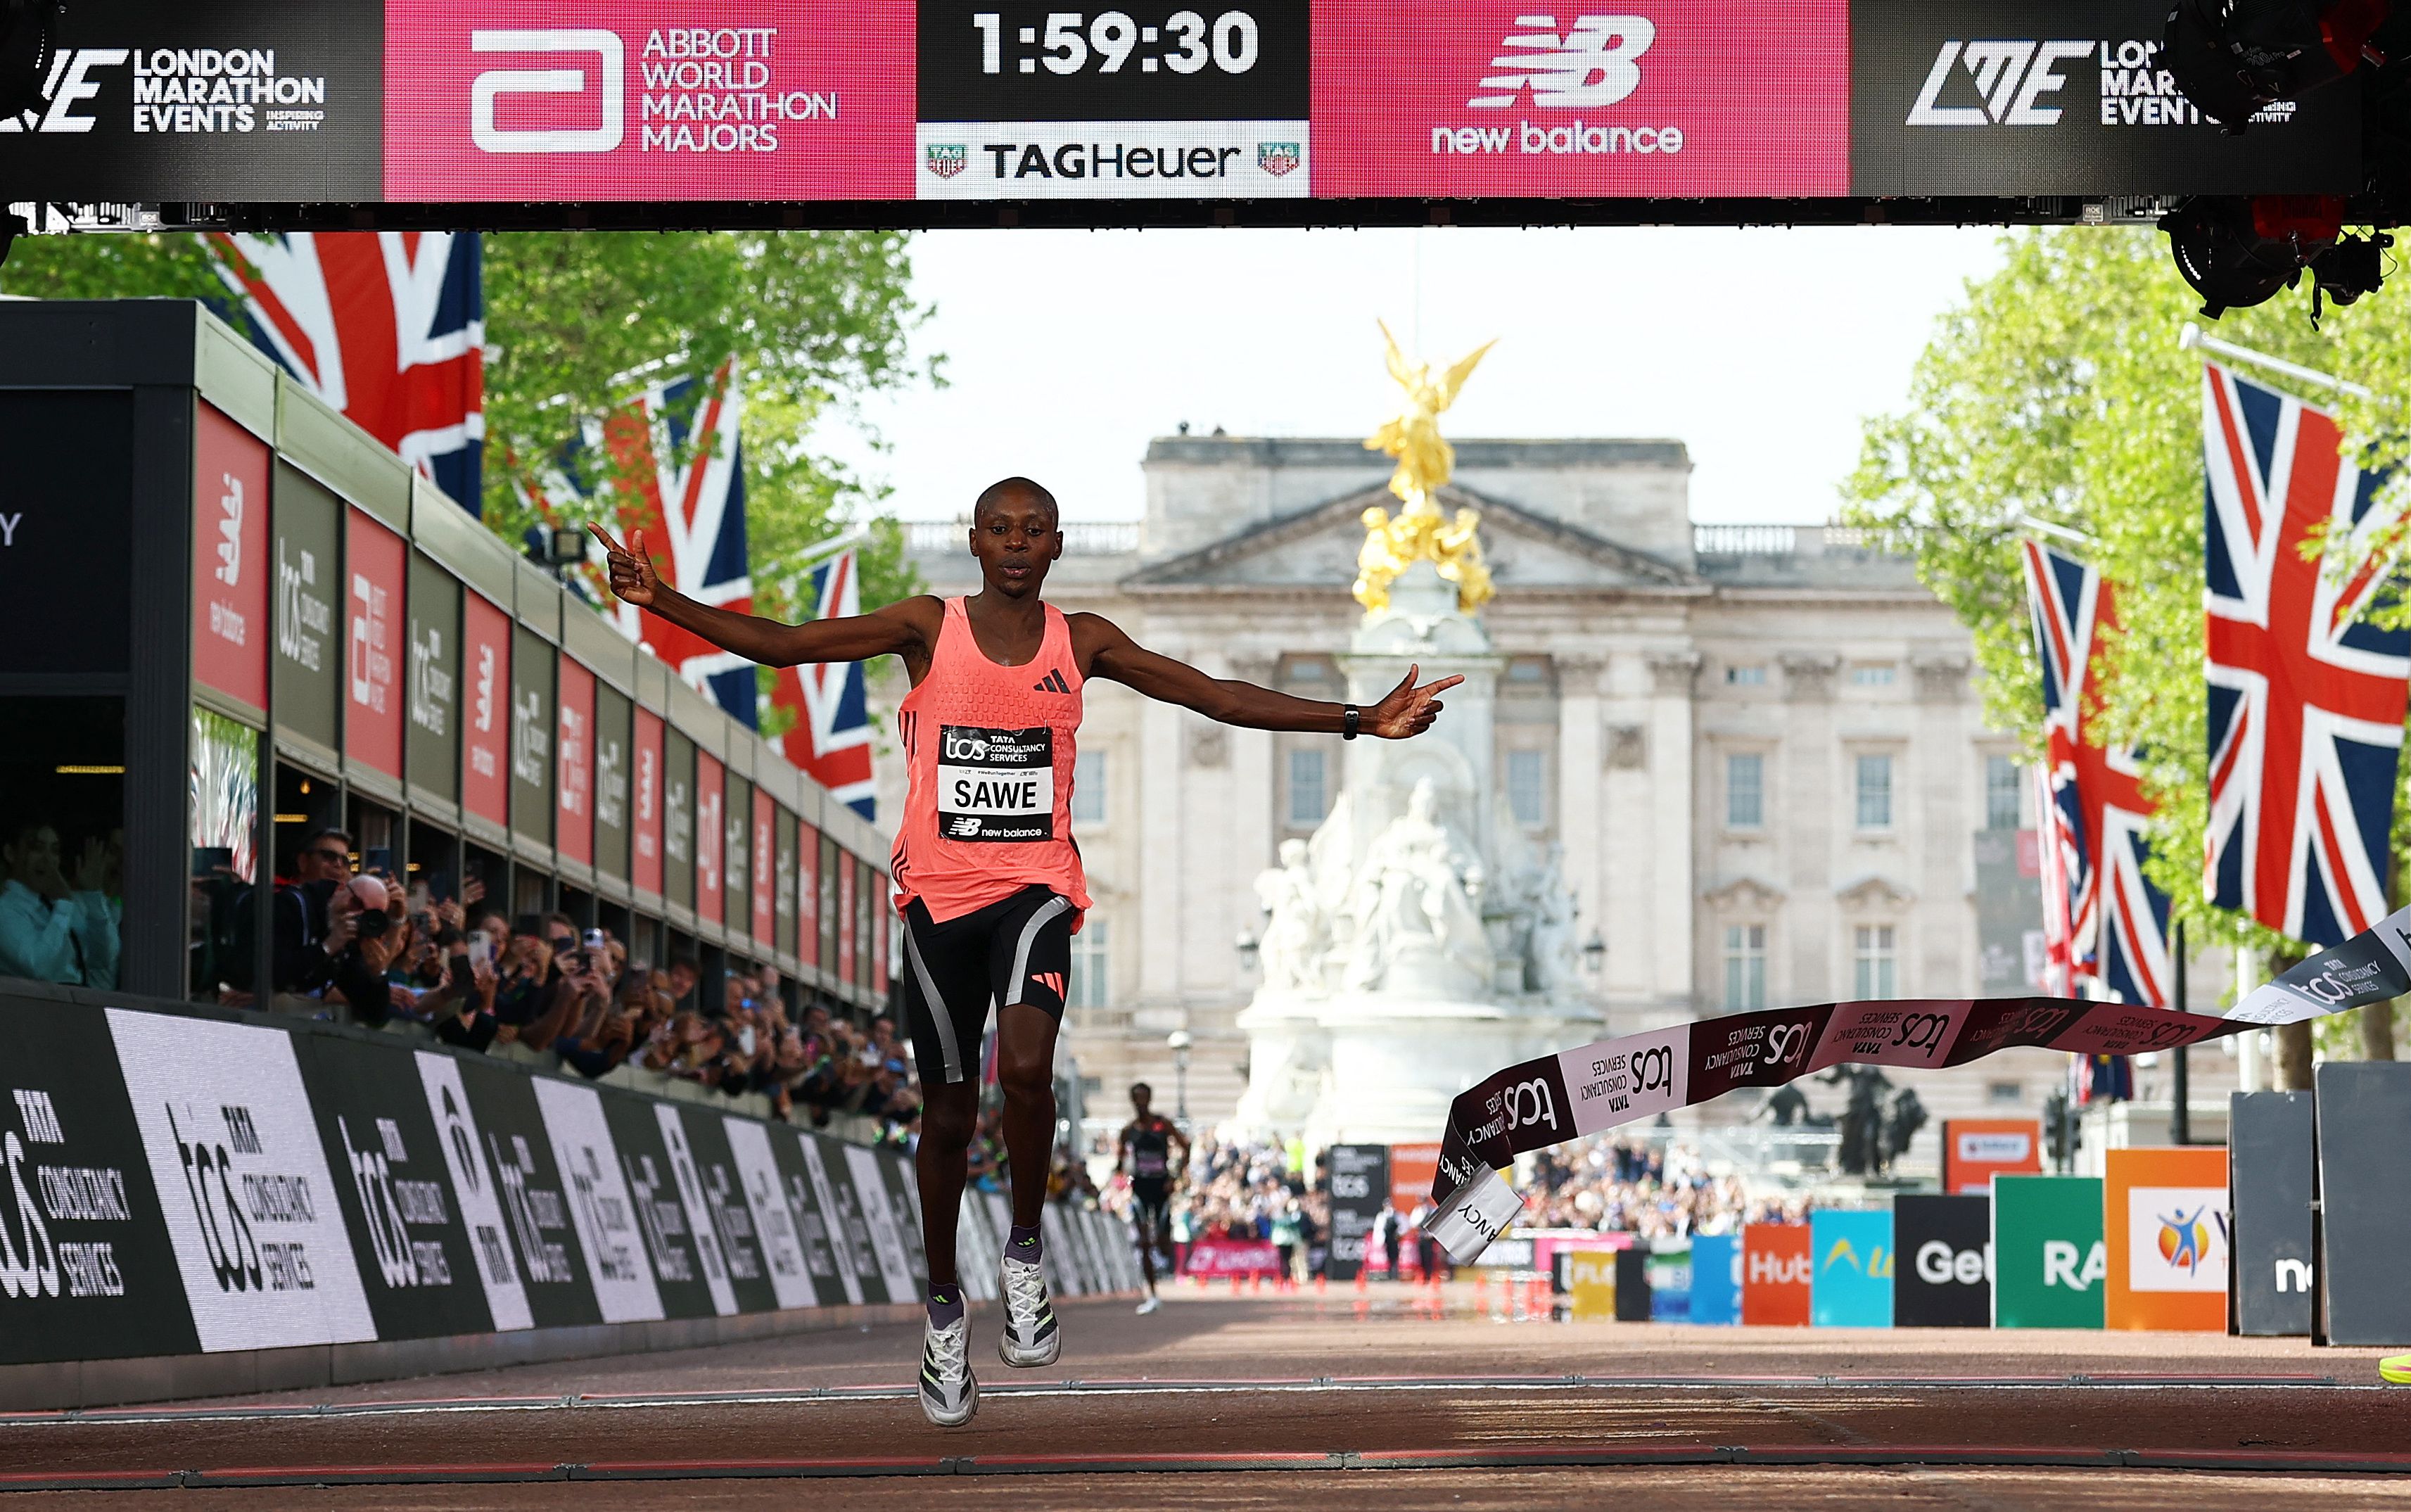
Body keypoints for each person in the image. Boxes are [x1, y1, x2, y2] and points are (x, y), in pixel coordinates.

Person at [590, 478, 1457, 1427]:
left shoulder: (1080, 641)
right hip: (936, 903)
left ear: (1055, 546)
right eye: (998, 529)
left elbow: (1210, 694)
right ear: (973, 541)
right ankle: (941, 1309)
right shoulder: (928, 626)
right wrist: (659, 599)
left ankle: (1025, 1251)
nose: (1014, 542)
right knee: (950, 1115)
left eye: (1032, 530)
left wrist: (1356, 720)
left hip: (1035, 893)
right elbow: (789, 645)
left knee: (1030, 1067)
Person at [0, 818, 119, 986]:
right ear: (10, 853)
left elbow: (102, 957)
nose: (48, 859)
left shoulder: (63, 904)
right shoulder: (5, 908)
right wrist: (63, 905)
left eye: (54, 851)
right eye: (37, 849)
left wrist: (93, 895)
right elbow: (39, 967)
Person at [1117, 1081, 1190, 1315]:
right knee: (1144, 1242)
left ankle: (1164, 1249)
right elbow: (1120, 1162)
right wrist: (1123, 1174)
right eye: (1136, 1098)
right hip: (1140, 1188)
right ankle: (1152, 1294)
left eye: (1144, 1097)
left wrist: (1176, 1176)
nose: (1140, 1102)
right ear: (1132, 1101)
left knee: (1162, 1242)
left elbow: (1185, 1147)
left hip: (1162, 1187)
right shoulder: (1128, 1131)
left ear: (1150, 1098)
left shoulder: (1162, 1124)